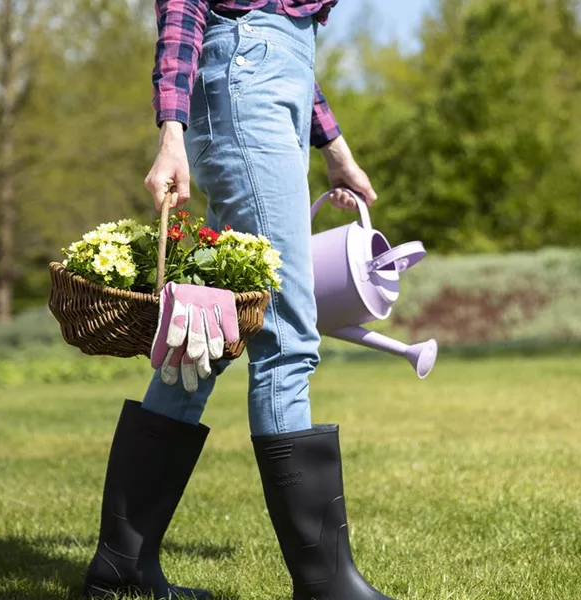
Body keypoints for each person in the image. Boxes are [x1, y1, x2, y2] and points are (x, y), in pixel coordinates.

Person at [82, 2, 399, 599]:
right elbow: (187, 8)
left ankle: (122, 565)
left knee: (209, 335)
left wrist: (332, 145)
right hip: (243, 84)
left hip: (270, 79)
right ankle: (325, 584)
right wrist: (170, 131)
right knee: (286, 338)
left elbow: (278, 24)